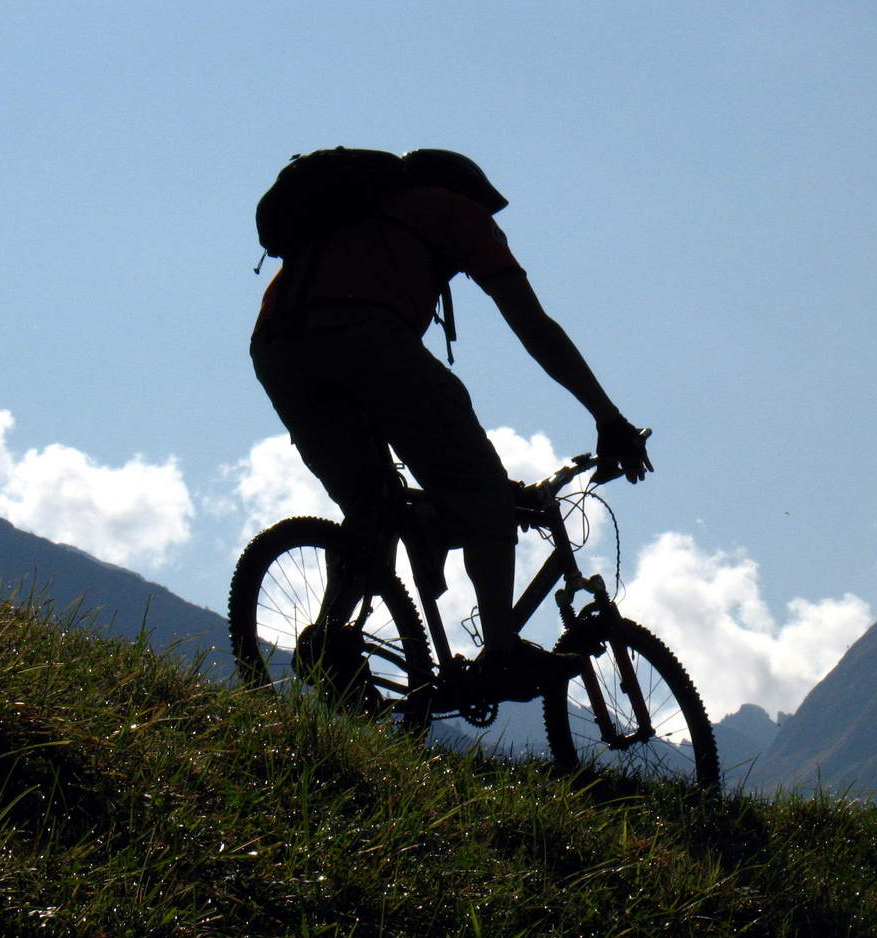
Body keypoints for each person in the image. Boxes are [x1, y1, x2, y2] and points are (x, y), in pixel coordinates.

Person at [250, 148, 651, 701]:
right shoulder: (449, 210)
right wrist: (609, 418)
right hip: (361, 332)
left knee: (374, 508)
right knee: (481, 490)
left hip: (276, 346)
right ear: (467, 193)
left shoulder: (352, 222)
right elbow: (533, 325)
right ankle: (502, 655)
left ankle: (331, 640)